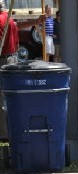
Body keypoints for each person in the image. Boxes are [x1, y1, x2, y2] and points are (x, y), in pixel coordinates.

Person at [0, 1, 44, 140]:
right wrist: (35, 21)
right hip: (12, 59)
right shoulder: (7, 18)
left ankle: (4, 133)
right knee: (11, 95)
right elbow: (16, 26)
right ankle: (13, 129)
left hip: (3, 59)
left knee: (2, 99)